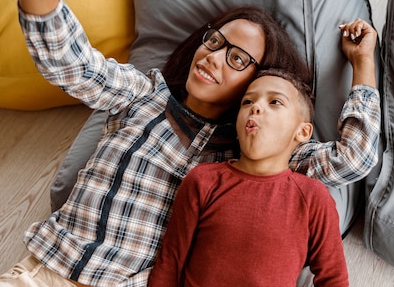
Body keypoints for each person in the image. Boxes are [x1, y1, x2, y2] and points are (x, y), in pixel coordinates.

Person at [0, 0, 380, 287]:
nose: (213, 56)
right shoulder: (143, 95)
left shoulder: (247, 155)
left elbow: (353, 159)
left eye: (236, 59)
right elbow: (70, 64)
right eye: (214, 41)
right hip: (47, 273)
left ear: (257, 82)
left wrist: (362, 63)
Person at [149, 68, 349, 287]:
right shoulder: (203, 180)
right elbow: (171, 262)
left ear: (302, 132)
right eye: (247, 102)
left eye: (275, 102)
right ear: (237, 127)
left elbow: (333, 279)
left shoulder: (312, 198)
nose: (256, 107)